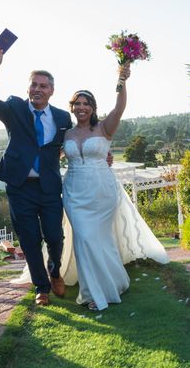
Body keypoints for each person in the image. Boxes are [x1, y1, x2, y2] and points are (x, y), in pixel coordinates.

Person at [63, 66, 169, 311]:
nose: (81, 107)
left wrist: (121, 80)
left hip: (101, 191)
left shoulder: (104, 128)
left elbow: (120, 108)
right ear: (72, 107)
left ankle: (111, 284)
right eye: (77, 103)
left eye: (86, 103)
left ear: (93, 107)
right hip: (73, 192)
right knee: (84, 239)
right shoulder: (66, 133)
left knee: (100, 239)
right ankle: (92, 292)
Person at [0, 49, 72, 307]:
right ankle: (41, 287)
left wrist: (104, 153)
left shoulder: (62, 117)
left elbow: (76, 140)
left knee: (55, 236)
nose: (37, 89)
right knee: (30, 239)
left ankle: (54, 271)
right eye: (34, 84)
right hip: (20, 187)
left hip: (49, 187)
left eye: (43, 86)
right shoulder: (15, 108)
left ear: (51, 91)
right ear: (28, 87)